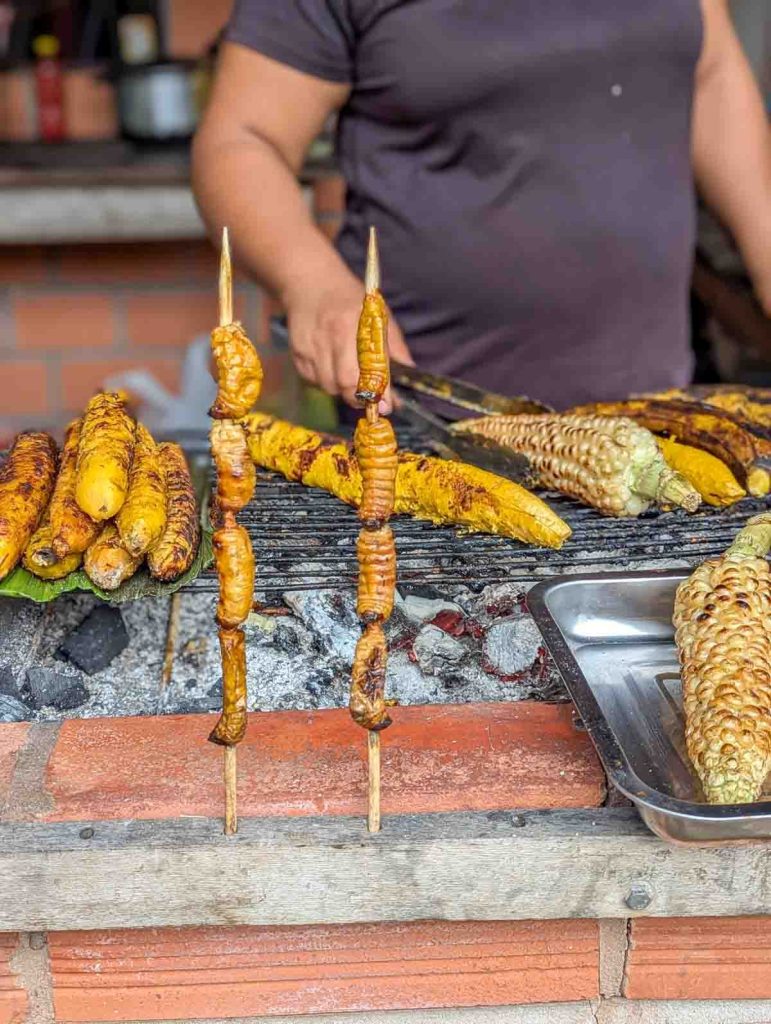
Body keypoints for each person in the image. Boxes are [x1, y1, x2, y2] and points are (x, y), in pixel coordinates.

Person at [192, 1, 771, 412]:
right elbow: (241, 139)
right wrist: (311, 283)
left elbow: (710, 73)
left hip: (659, 411)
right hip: (430, 424)